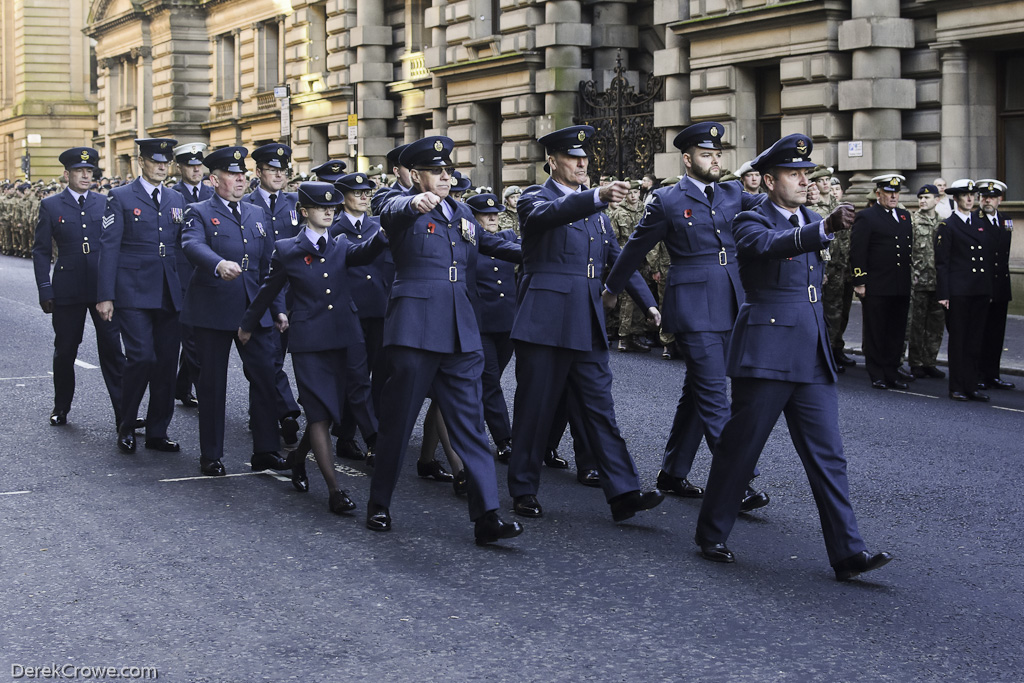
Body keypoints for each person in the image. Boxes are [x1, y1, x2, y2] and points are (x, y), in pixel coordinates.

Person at [694, 133, 892, 582]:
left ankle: (848, 553)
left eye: (807, 173)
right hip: (766, 351)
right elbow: (770, 246)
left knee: (829, 456)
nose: (804, 181)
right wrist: (822, 229)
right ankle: (711, 532)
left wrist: (819, 224)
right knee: (741, 449)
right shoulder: (750, 218)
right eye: (794, 173)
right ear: (768, 180)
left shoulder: (812, 215)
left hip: (810, 350)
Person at [368, 135, 524, 545]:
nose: (444, 176)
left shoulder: (464, 213)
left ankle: (487, 515)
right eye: (435, 171)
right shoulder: (397, 204)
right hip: (415, 329)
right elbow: (389, 209)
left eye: (448, 170)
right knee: (399, 423)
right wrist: (412, 202)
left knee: (471, 425)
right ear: (415, 174)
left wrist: (542, 250)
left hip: (460, 332)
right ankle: (379, 502)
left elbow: (494, 245)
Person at [604, 121, 768, 509]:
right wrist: (613, 288)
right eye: (706, 154)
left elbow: (775, 210)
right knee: (714, 395)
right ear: (687, 158)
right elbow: (634, 248)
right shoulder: (666, 200)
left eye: (718, 154)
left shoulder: (732, 192)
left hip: (731, 301)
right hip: (693, 307)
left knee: (698, 392)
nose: (714, 160)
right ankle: (736, 480)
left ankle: (673, 472)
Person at [510, 124, 664, 522]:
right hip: (544, 320)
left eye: (585, 158)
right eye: (573, 157)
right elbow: (551, 214)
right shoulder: (534, 199)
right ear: (552, 161)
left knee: (600, 409)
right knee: (535, 409)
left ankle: (624, 491)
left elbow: (619, 258)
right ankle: (524, 489)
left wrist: (647, 304)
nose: (582, 163)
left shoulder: (594, 211)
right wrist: (595, 196)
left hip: (586, 320)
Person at [239, 181, 386, 513]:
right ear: (304, 211)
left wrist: (387, 233)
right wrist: (248, 324)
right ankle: (335, 490)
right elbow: (268, 289)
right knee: (319, 413)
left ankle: (297, 460)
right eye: (322, 207)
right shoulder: (287, 248)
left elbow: (367, 252)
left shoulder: (342, 244)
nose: (329, 212)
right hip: (310, 341)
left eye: (332, 208)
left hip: (346, 336)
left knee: (339, 407)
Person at [180, 146, 290, 476]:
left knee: (265, 376)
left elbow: (271, 264)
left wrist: (279, 308)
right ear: (214, 179)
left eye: (242, 174)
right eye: (232, 174)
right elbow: (191, 244)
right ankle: (211, 454)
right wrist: (217, 264)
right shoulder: (197, 211)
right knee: (212, 384)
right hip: (213, 307)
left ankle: (266, 450)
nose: (240, 179)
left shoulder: (256, 212)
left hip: (253, 308)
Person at [97, 138, 187, 455]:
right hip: (132, 291)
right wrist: (105, 296)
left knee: (165, 364)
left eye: (166, 161)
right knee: (141, 357)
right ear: (141, 162)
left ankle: (157, 431)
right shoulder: (120, 197)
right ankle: (126, 424)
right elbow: (108, 247)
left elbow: (182, 247)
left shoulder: (176, 198)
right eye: (156, 161)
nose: (162, 166)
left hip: (168, 291)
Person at [32, 147, 126, 428]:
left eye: (89, 171)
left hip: (101, 287)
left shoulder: (105, 202)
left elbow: (116, 244)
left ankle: (124, 413)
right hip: (67, 288)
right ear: (67, 174)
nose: (86, 176)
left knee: (112, 349)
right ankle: (61, 406)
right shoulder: (51, 205)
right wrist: (45, 289)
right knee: (65, 349)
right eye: (79, 171)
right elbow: (40, 251)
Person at [328, 171, 393, 460]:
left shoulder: (378, 226)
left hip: (379, 309)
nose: (365, 197)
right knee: (354, 376)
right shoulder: (332, 227)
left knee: (380, 375)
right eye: (358, 193)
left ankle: (372, 434)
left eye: (368, 192)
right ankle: (354, 435)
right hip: (349, 310)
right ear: (343, 198)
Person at [244, 143, 303, 445]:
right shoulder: (246, 204)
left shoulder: (296, 203)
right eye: (272, 169)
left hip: (294, 291)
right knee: (265, 357)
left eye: (283, 170)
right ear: (258, 172)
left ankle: (263, 413)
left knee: (277, 355)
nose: (279, 175)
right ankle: (285, 412)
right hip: (261, 291)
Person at [467, 192, 519, 462]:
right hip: (482, 324)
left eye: (496, 213)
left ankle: (472, 422)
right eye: (486, 214)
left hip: (507, 323)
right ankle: (504, 440)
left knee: (491, 379)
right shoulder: (468, 242)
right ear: (473, 218)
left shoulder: (509, 238)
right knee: (489, 381)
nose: (493, 217)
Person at [850, 174, 914, 389]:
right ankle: (877, 372)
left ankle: (892, 371)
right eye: (889, 192)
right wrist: (860, 281)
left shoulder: (905, 217)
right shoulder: (867, 217)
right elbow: (858, 251)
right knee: (876, 331)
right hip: (877, 285)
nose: (893, 196)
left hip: (900, 284)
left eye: (896, 192)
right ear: (879, 193)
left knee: (896, 332)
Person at [936, 179, 992, 402]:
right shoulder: (948, 226)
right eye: (965, 195)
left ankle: (971, 385)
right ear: (956, 199)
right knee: (959, 340)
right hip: (958, 292)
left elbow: (987, 258)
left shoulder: (981, 224)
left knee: (974, 340)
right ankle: (957, 386)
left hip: (978, 290)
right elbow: (942, 263)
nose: (970, 199)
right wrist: (943, 294)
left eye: (972, 195)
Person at [172, 142, 213, 409]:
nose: (196, 169)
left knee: (199, 334)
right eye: (190, 165)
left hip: (209, 273)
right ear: (180, 168)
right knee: (192, 336)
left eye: (200, 165)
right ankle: (205, 391)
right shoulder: (171, 196)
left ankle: (181, 386)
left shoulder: (212, 193)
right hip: (182, 274)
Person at [975, 179, 1015, 390]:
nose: (987, 200)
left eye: (991, 197)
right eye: (984, 196)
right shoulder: (973, 220)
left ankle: (993, 374)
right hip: (981, 285)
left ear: (1000, 199)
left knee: (996, 333)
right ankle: (979, 374)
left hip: (1000, 286)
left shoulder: (1006, 220)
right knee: (980, 332)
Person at [906, 185, 946, 379]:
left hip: (938, 282)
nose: (923, 201)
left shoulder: (944, 223)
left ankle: (930, 361)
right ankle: (916, 362)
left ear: (937, 200)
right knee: (916, 324)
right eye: (920, 197)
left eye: (927, 197)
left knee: (936, 325)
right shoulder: (912, 221)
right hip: (918, 282)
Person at [609, 181, 651, 352]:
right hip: (626, 260)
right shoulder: (618, 213)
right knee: (627, 300)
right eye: (630, 193)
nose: (633, 196)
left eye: (636, 192)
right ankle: (624, 337)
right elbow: (613, 240)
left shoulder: (647, 211)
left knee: (643, 296)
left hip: (644, 260)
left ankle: (636, 334)